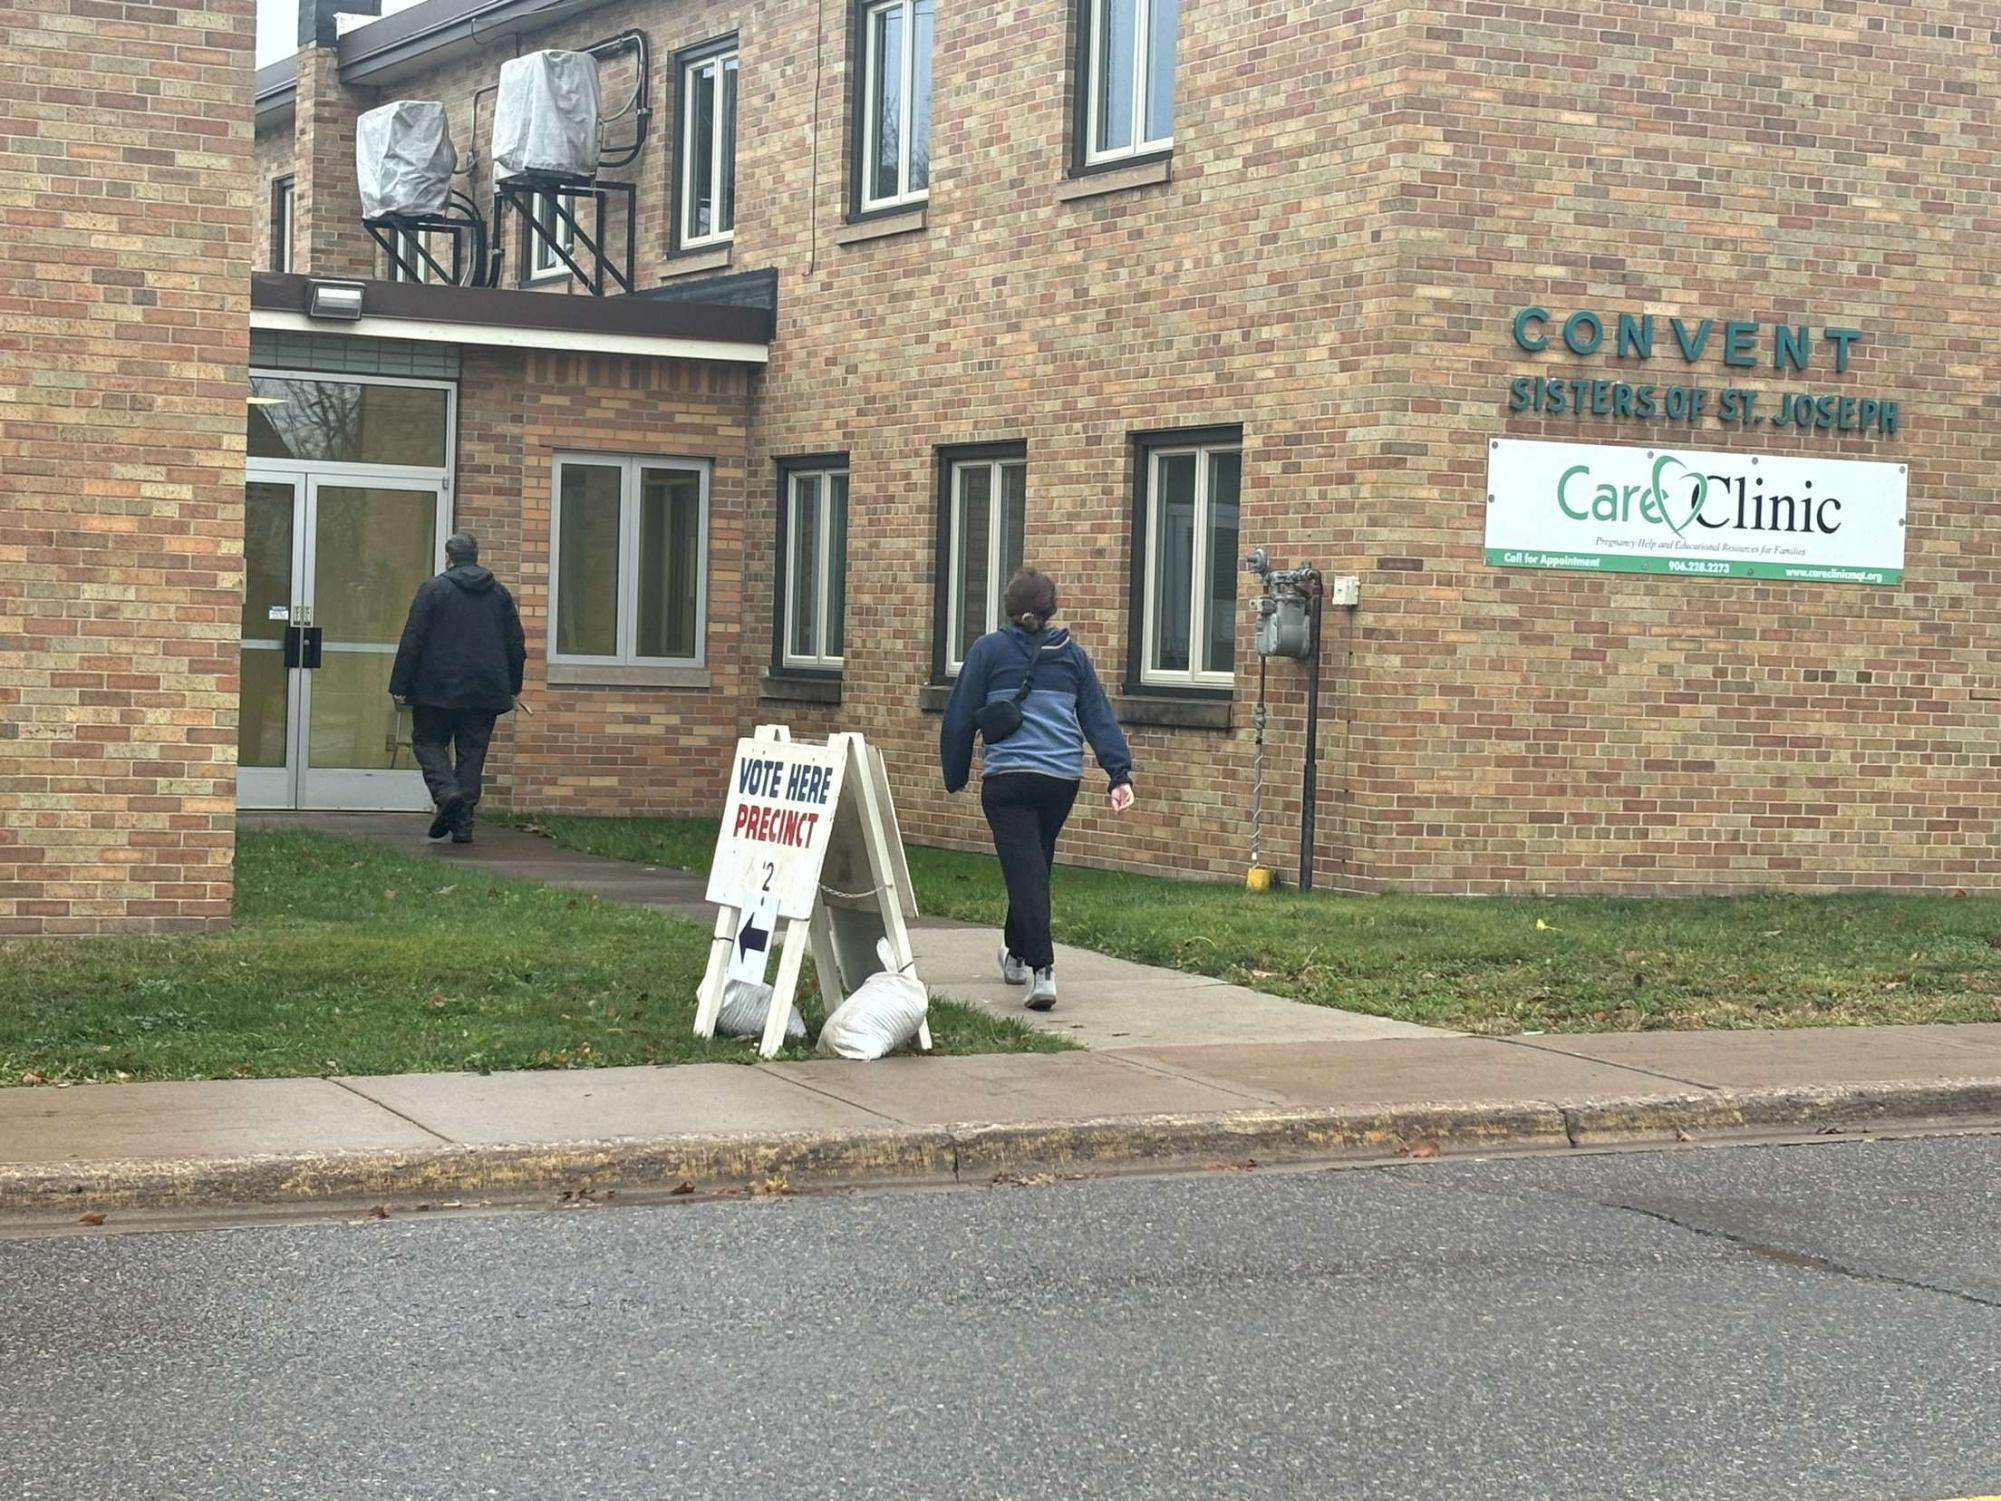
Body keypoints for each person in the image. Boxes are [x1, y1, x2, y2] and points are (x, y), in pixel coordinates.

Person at [941, 569, 1134, 1011]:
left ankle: (1042, 969)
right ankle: (1015, 953)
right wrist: (1118, 774)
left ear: (1008, 607)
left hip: (1008, 780)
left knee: (1027, 867)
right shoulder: (1072, 656)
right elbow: (1097, 716)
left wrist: (955, 775)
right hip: (1059, 781)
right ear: (1051, 610)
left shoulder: (987, 650)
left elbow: (958, 717)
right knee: (1032, 865)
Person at [388, 531, 525, 846]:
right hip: (486, 690)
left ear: (449, 557)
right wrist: (513, 686)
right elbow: (516, 644)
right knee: (472, 752)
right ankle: (463, 825)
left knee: (428, 741)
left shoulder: (433, 590)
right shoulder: (499, 595)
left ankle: (446, 793)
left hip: (436, 688)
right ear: (474, 556)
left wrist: (400, 684)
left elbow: (413, 639)